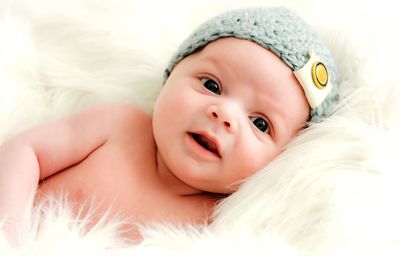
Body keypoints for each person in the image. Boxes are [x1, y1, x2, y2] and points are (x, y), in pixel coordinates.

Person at [0, 7, 339, 243]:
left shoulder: (219, 222)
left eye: (260, 123)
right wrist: (9, 232)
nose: (224, 114)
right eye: (211, 86)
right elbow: (26, 151)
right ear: (172, 74)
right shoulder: (118, 125)